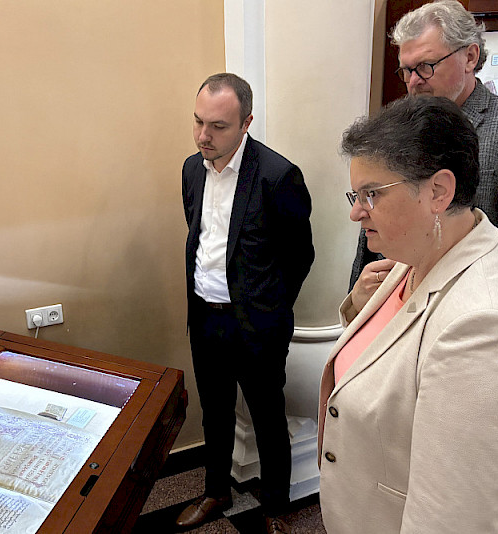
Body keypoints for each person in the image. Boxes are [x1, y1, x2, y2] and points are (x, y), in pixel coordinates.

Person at [319, 95, 498, 533]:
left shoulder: (486, 327)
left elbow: (449, 522)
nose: (356, 211)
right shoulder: (416, 255)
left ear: (438, 191)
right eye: (357, 193)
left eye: (371, 194)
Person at [178, 73, 314, 534]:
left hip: (257, 326)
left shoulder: (278, 176)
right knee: (213, 412)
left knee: (267, 419)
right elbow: (200, 239)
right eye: (198, 122)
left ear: (246, 122)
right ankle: (215, 491)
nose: (203, 135)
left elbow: (300, 256)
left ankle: (276, 508)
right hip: (205, 318)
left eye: (217, 126)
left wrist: (269, 311)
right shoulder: (191, 169)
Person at [350, 0, 498, 292]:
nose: (413, 82)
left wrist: (466, 302)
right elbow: (373, 219)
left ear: (470, 57)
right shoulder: (398, 119)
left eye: (425, 66)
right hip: (390, 296)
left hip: (465, 307)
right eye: (406, 70)